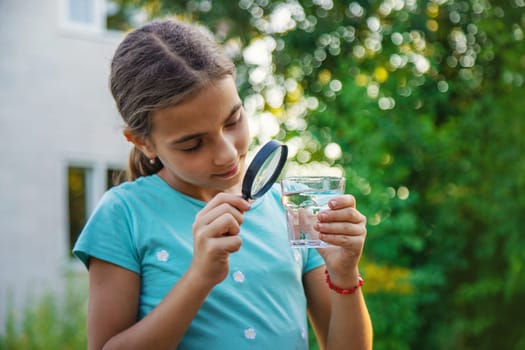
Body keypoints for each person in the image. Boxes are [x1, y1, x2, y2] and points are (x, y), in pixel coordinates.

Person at [73, 18, 372, 350]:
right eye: (192, 144)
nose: (227, 154)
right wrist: (201, 277)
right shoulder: (123, 214)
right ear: (142, 142)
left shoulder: (288, 206)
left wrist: (345, 274)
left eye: (233, 120)